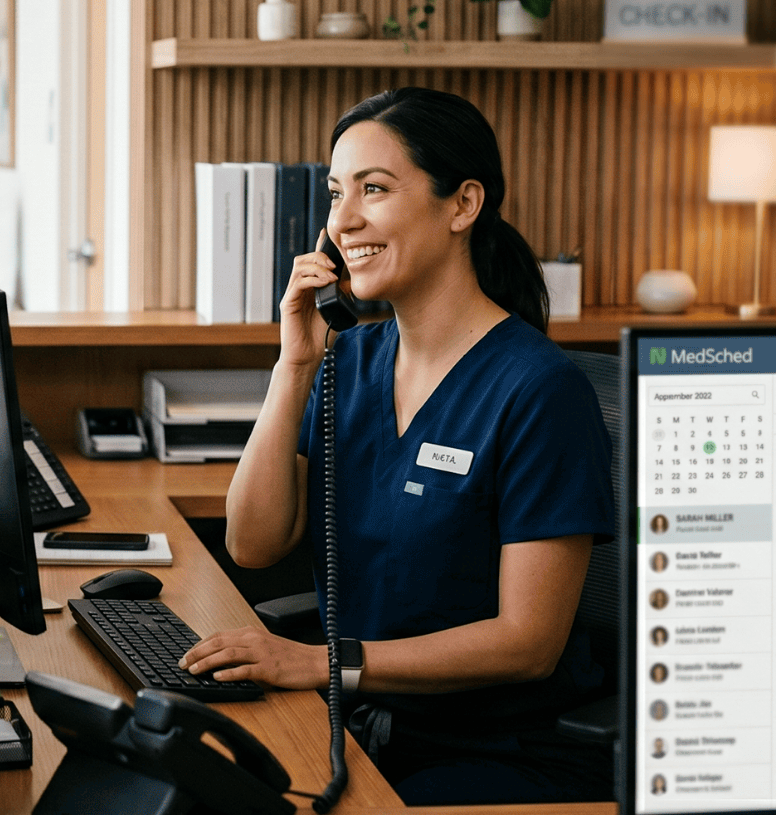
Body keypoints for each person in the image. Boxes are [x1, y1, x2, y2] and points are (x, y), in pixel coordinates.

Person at [180, 87, 614, 805]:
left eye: (374, 190)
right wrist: (293, 367)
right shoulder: (347, 361)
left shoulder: (539, 389)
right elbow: (253, 544)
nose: (343, 222)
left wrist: (320, 662)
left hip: (498, 753)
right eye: (335, 193)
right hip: (356, 726)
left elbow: (529, 642)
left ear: (462, 205)